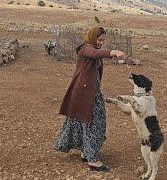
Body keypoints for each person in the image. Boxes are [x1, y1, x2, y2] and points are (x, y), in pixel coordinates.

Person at [53, 26, 126, 172]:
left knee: (87, 123)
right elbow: (94, 53)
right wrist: (113, 52)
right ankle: (93, 161)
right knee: (95, 124)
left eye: (103, 40)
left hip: (91, 94)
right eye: (99, 40)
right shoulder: (85, 48)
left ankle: (86, 152)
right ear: (92, 37)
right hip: (85, 95)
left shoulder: (92, 50)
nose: (101, 43)